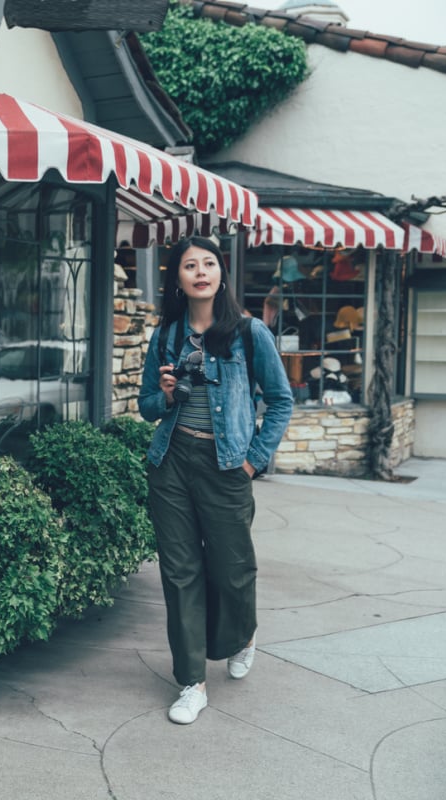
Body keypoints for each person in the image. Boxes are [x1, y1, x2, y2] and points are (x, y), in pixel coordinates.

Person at [138, 236, 293, 725]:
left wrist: (254, 461)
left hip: (228, 465)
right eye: (189, 265)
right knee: (180, 573)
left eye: (208, 263)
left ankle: (242, 634)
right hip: (172, 461)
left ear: (221, 274)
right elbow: (146, 408)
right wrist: (164, 395)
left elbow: (281, 400)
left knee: (231, 569)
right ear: (177, 279)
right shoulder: (166, 334)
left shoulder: (249, 332)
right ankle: (191, 682)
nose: (200, 271)